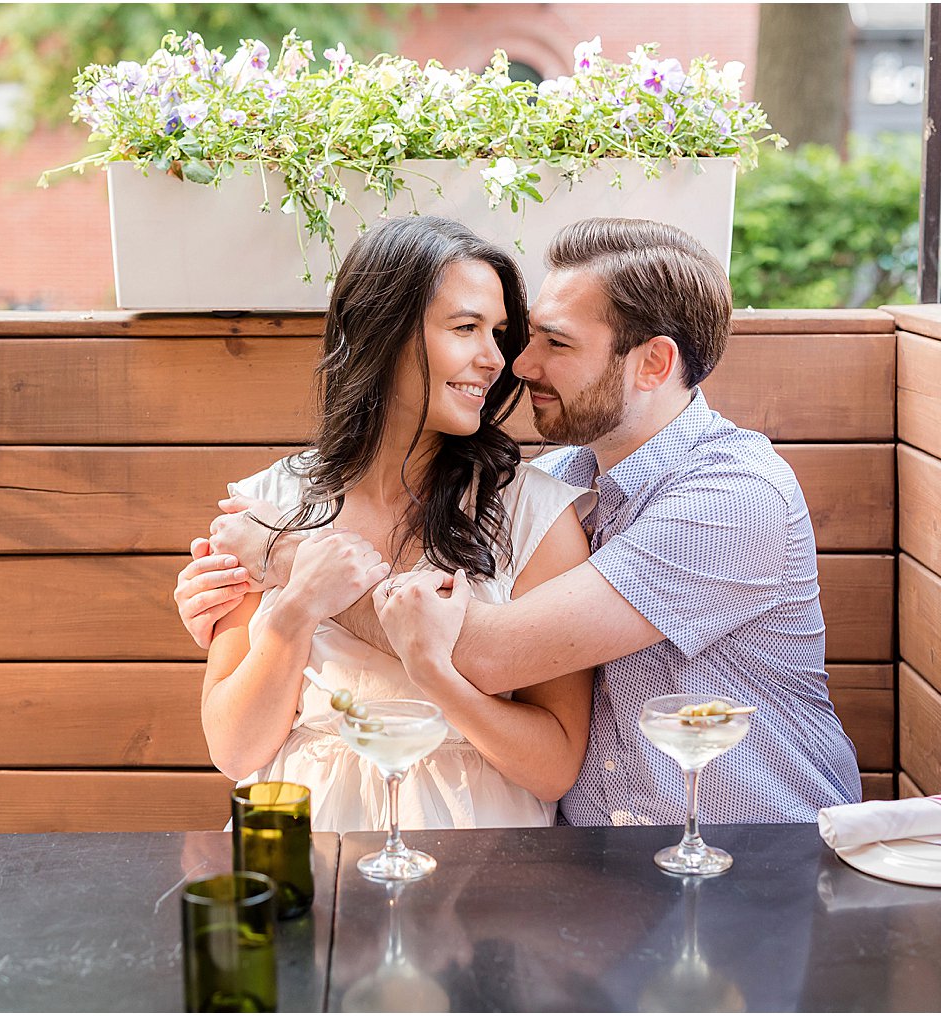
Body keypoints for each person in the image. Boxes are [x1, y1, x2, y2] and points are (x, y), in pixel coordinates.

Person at [181, 217, 863, 825]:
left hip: (753, 852)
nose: (516, 363)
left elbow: (487, 654)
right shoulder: (567, 477)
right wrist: (263, 609)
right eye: (502, 333)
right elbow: (235, 738)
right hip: (596, 869)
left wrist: (289, 568)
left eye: (552, 343)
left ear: (654, 362)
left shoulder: (729, 498)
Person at [195, 215, 595, 833]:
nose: (496, 360)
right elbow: (235, 750)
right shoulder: (268, 505)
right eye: (466, 329)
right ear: (381, 332)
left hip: (474, 846)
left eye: (499, 334)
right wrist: (297, 608)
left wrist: (433, 673)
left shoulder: (533, 511)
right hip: (305, 838)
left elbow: (555, 766)